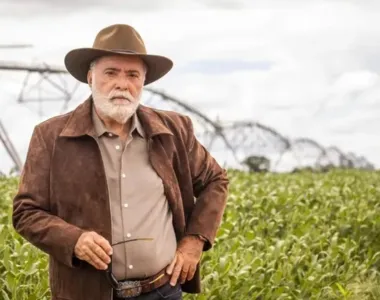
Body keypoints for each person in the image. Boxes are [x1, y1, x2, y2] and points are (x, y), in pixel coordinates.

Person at [12, 24, 229, 300]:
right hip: (86, 294)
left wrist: (195, 241)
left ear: (143, 81)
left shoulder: (174, 130)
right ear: (90, 77)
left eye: (132, 75)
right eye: (111, 72)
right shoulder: (51, 137)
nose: (122, 84)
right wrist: (73, 240)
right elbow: (26, 212)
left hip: (162, 291)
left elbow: (215, 180)